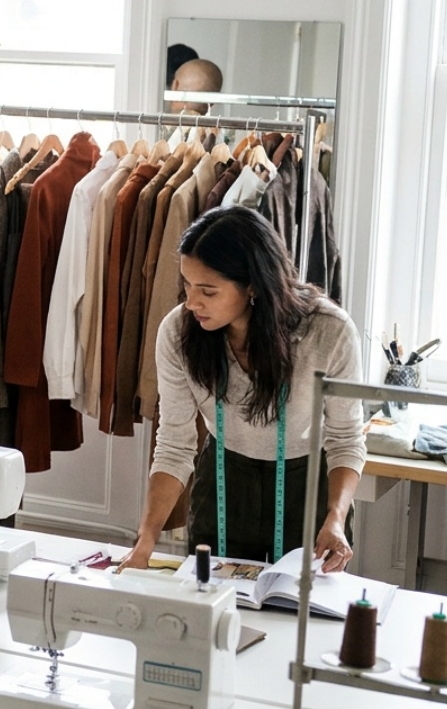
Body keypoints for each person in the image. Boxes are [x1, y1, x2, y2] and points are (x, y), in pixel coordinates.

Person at [120, 206, 364, 572]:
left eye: (208, 290)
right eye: (186, 284)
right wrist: (147, 539)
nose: (191, 302)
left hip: (307, 483)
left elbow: (345, 438)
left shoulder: (329, 331)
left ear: (253, 285)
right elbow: (174, 442)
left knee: (298, 618)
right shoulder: (178, 333)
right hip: (223, 475)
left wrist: (335, 517)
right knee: (213, 610)